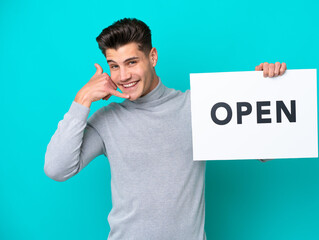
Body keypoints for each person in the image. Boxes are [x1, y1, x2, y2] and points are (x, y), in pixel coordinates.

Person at [44, 18, 287, 240]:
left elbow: (265, 152)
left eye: (131, 62)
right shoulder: (108, 119)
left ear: (152, 57)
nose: (123, 75)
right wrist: (82, 99)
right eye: (114, 66)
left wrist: (264, 92)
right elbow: (57, 168)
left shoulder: (198, 106)